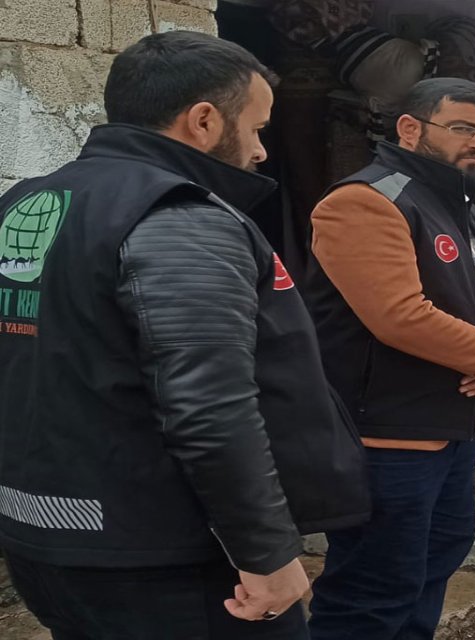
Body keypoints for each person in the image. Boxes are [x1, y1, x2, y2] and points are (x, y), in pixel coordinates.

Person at [0, 31, 370, 639]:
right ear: (202, 121)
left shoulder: (30, 203)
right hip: (162, 561)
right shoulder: (177, 216)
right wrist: (268, 553)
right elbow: (208, 405)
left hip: (46, 538)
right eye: (255, 129)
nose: (259, 152)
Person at [304, 78, 475, 639]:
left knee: (434, 567)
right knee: (373, 591)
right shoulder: (366, 201)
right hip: (385, 436)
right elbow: (400, 317)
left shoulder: (459, 203)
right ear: (410, 128)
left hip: (447, 428)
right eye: (463, 128)